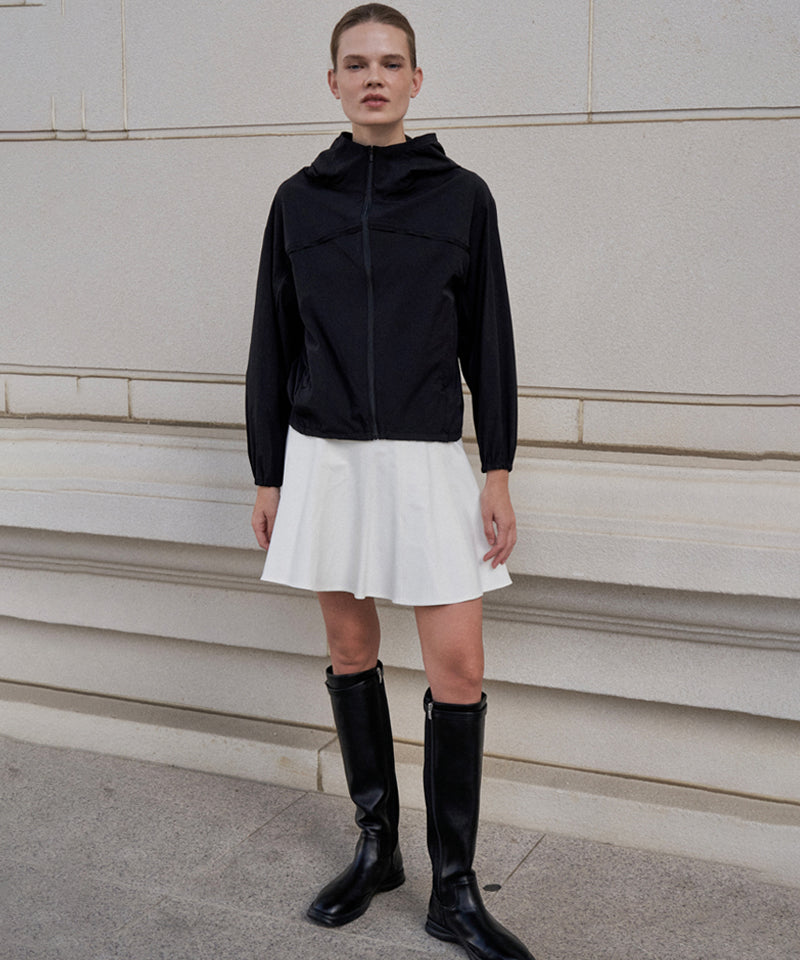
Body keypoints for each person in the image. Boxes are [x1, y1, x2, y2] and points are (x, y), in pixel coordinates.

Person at [246, 5, 534, 959]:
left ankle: (456, 890)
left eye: (391, 62)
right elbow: (271, 341)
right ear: (332, 82)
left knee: (460, 669)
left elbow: (489, 338)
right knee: (350, 648)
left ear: (416, 80)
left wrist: (497, 466)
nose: (374, 77)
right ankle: (379, 850)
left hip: (424, 458)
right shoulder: (298, 201)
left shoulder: (462, 198)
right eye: (356, 63)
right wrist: (268, 474)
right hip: (325, 459)